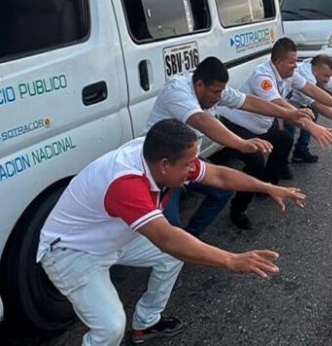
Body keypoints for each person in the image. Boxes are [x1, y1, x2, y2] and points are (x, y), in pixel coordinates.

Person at [37, 119, 305, 346]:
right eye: (189, 163)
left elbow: (220, 176)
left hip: (111, 237)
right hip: (71, 252)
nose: (194, 168)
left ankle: (146, 323)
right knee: (110, 327)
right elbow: (166, 238)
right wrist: (230, 260)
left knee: (172, 256)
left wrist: (268, 187)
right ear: (165, 164)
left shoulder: (161, 162)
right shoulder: (126, 181)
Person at [144, 57, 331, 237]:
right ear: (199, 85)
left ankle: (189, 241)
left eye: (221, 93)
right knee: (169, 230)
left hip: (186, 160)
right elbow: (202, 120)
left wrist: (289, 113)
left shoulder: (213, 89)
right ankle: (173, 248)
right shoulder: (177, 91)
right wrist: (241, 144)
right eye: (215, 93)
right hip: (160, 164)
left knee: (221, 191)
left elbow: (248, 101)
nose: (219, 98)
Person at [221, 38, 332, 230]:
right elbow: (280, 106)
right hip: (238, 125)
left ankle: (268, 187)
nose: (296, 65)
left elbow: (312, 90)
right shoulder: (263, 77)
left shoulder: (289, 74)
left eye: (296, 61)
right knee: (255, 162)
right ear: (278, 62)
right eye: (292, 62)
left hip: (261, 124)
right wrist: (311, 126)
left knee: (285, 139)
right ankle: (238, 211)